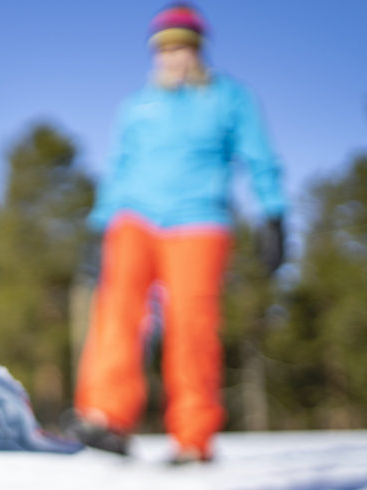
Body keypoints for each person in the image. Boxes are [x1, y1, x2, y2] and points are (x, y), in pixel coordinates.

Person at [66, 4, 287, 465]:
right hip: (134, 220)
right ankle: (106, 418)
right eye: (164, 49)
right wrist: (98, 224)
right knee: (117, 317)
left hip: (199, 221)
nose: (173, 57)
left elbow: (260, 156)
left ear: (197, 49)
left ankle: (193, 435)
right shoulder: (138, 105)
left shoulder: (230, 98)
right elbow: (119, 169)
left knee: (192, 325)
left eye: (181, 47)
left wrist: (274, 214)